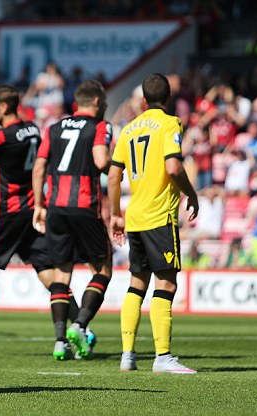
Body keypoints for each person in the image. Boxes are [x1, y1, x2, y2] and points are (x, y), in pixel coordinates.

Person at [0, 80, 81, 358]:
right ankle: (81, 328)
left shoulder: (1, 135)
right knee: (50, 277)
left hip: (8, 214)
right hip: (32, 213)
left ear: (4, 106)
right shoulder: (32, 128)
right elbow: (12, 112)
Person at [107, 73, 199, 374]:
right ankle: (163, 357)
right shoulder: (171, 123)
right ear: (168, 99)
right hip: (160, 215)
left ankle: (127, 355)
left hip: (134, 215)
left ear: (144, 100)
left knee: (137, 283)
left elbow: (113, 175)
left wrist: (115, 213)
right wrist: (191, 193)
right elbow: (173, 167)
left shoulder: (129, 128)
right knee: (166, 282)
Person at [32, 79, 113, 361]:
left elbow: (40, 166)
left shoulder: (53, 128)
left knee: (61, 274)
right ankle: (79, 326)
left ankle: (59, 341)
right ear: (96, 102)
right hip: (85, 206)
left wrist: (39, 205)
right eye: (103, 102)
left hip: (55, 207)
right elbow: (102, 161)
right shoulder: (100, 126)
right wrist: (119, 165)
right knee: (102, 270)